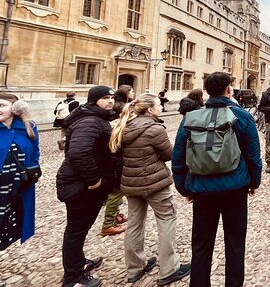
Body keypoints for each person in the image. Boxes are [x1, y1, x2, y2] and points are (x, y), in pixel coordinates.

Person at [172, 72, 262, 287]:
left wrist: (185, 189)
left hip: (202, 189)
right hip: (235, 188)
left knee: (201, 245)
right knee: (235, 243)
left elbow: (178, 158)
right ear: (229, 90)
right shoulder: (242, 116)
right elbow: (253, 155)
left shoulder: (190, 118)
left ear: (206, 92)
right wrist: (254, 182)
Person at [110, 93, 190, 285]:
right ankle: (169, 269)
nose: (161, 108)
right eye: (158, 105)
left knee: (135, 225)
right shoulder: (154, 128)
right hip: (155, 183)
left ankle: (135, 268)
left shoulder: (123, 126)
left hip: (131, 183)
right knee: (166, 220)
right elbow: (169, 154)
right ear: (149, 109)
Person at [56, 85, 119, 287]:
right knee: (75, 230)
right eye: (105, 98)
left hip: (81, 184)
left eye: (112, 98)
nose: (110, 101)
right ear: (94, 100)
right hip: (80, 186)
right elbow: (78, 153)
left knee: (79, 229)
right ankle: (73, 278)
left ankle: (79, 263)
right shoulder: (90, 121)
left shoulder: (96, 118)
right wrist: (94, 180)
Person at [0, 93, 40, 251]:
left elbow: (35, 153)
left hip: (19, 187)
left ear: (15, 109)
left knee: (9, 224)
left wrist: (32, 171)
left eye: (1, 105)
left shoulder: (29, 127)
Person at [98, 85, 136, 236]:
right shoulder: (119, 121)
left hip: (115, 163)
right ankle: (108, 223)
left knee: (116, 192)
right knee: (116, 193)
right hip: (117, 164)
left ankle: (115, 215)